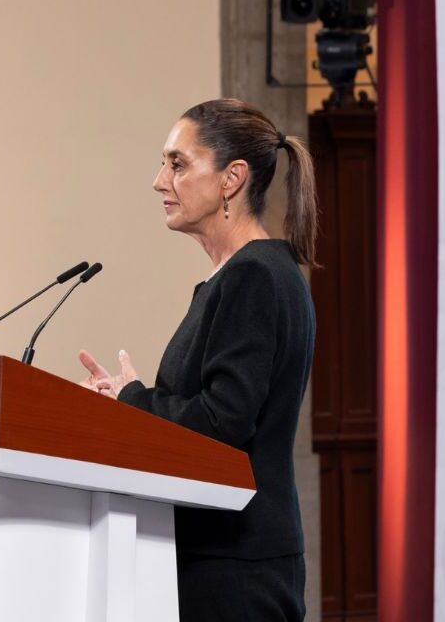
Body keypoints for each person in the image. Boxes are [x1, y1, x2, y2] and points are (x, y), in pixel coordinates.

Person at [76, 98, 316, 621]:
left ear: (232, 178)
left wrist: (134, 400)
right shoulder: (244, 275)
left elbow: (223, 421)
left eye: (177, 164)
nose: (160, 181)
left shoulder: (254, 276)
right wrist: (132, 400)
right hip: (222, 554)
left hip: (235, 564)